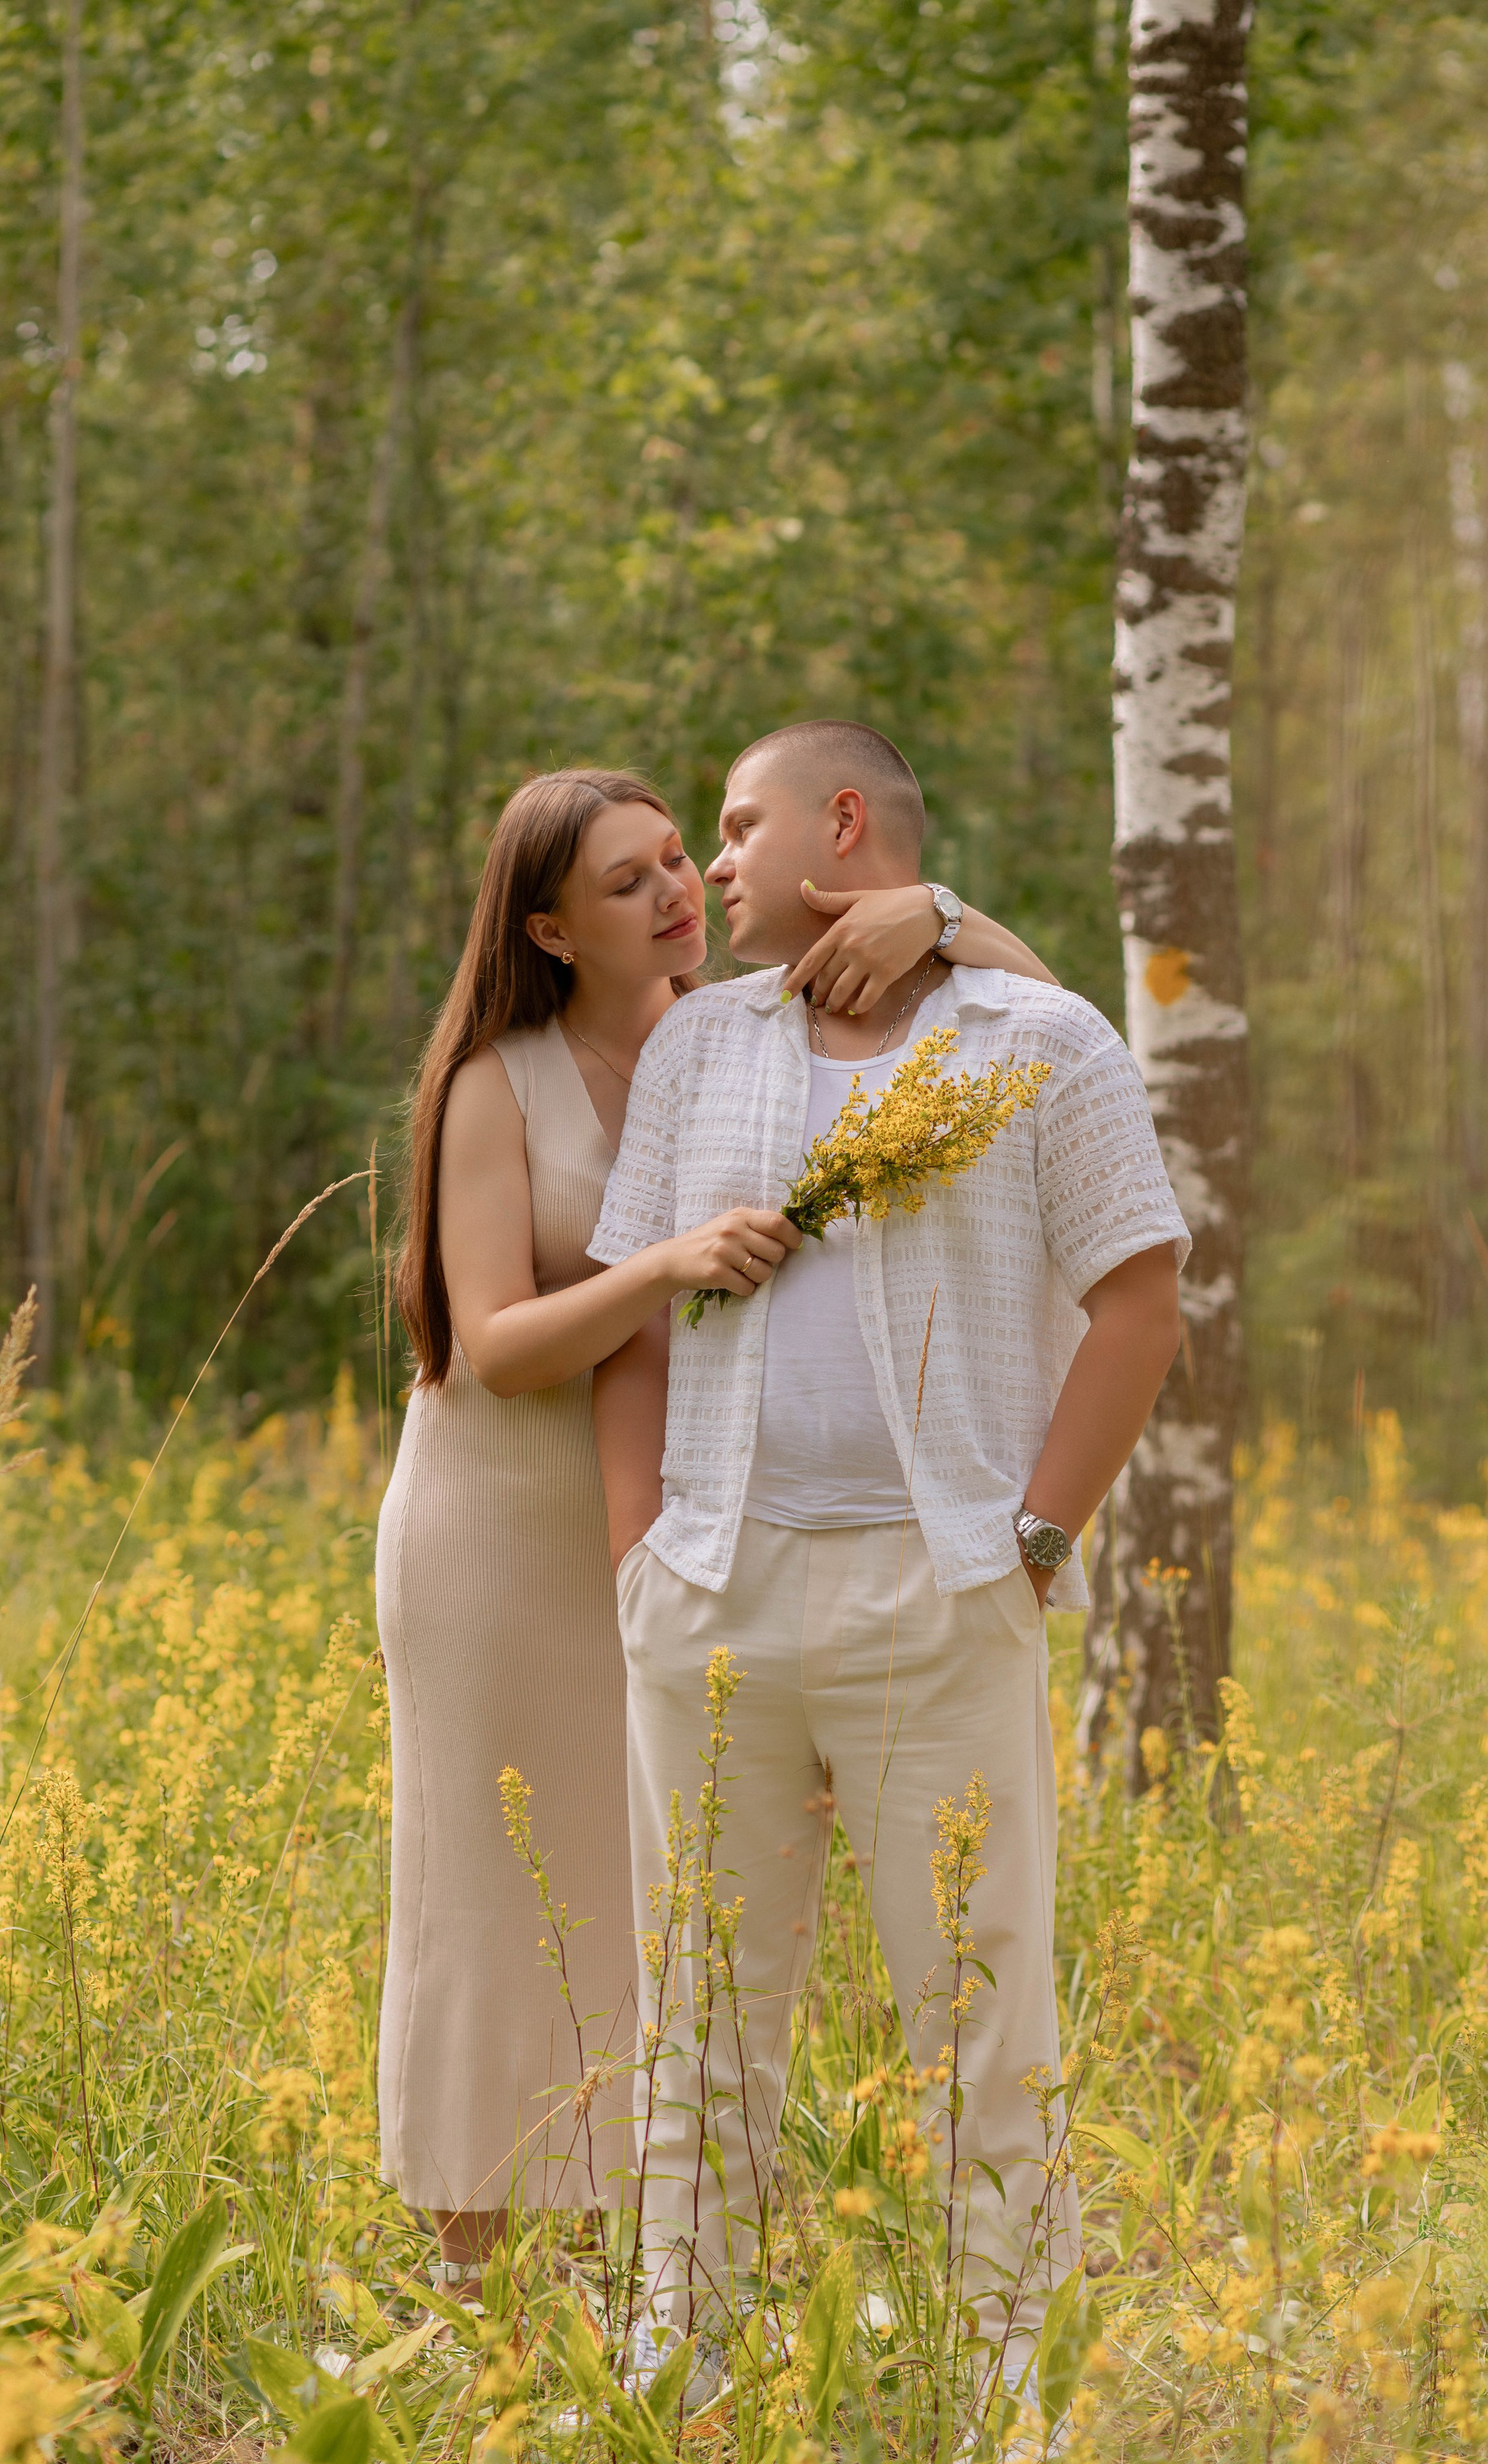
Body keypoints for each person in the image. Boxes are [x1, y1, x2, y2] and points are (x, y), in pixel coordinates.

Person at [379, 763, 1056, 2300]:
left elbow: (1048, 1032)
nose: (678, 889)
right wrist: (669, 1259)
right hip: (498, 1527)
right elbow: (493, 1340)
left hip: (679, 1523)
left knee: (659, 1901)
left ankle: (645, 2271)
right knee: (498, 1888)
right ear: (549, 930)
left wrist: (938, 912)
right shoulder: (500, 1081)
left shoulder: (735, 1033)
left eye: (680, 855)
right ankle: (469, 2280)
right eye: (628, 883)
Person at [587, 722, 1189, 2413]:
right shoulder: (702, 1048)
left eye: (736, 825)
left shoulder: (1042, 1036)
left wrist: (1036, 1543)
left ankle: (1018, 2400)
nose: (710, 865)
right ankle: (679, 2378)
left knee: (985, 2015)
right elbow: (636, 1312)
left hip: (947, 1598)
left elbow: (1140, 1302)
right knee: (703, 2009)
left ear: (839, 824)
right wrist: (644, 1554)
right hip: (712, 1594)